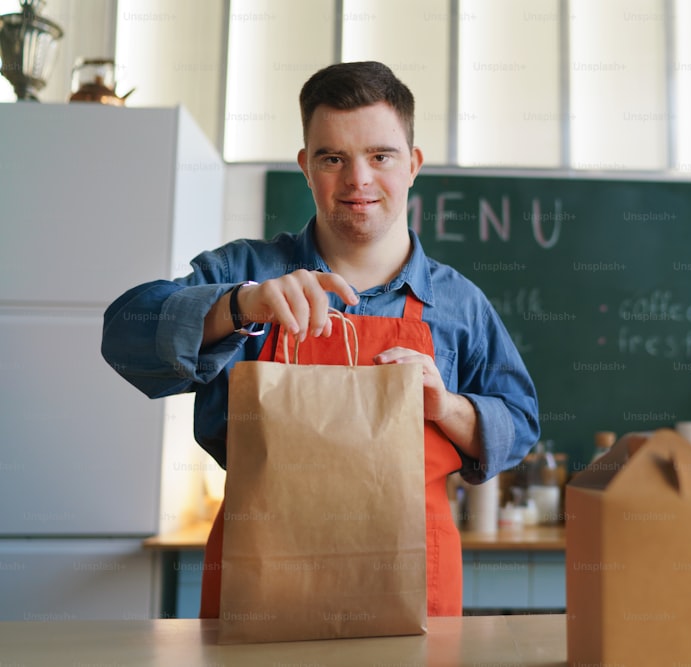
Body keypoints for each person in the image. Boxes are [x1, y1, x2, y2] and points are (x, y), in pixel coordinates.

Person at [101, 61, 540, 617]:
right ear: (307, 167)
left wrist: (447, 407)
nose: (358, 180)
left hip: (409, 583)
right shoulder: (246, 267)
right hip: (260, 575)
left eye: (381, 156)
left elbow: (519, 425)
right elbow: (123, 333)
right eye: (334, 158)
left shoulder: (460, 303)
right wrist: (238, 304)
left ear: (413, 165)